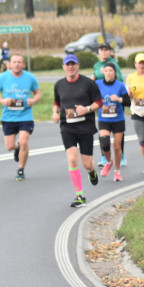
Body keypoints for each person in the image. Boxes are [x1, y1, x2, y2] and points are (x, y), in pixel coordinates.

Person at [52, 54, 103, 207]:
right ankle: (79, 195)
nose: (70, 67)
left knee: (87, 164)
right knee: (72, 158)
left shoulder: (88, 83)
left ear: (78, 66)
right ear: (63, 67)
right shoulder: (59, 84)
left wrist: (86, 109)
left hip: (85, 127)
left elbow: (99, 102)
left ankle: (92, 172)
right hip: (67, 127)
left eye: (73, 64)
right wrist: (55, 112)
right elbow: (57, 102)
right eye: (67, 64)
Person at [0, 54, 42, 181]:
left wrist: (33, 100)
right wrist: (2, 101)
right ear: (10, 64)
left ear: (23, 64)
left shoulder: (30, 78)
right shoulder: (3, 77)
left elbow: (38, 93)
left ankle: (21, 169)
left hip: (25, 115)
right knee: (9, 146)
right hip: (8, 116)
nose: (17, 64)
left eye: (19, 62)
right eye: (14, 62)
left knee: (24, 140)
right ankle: (17, 148)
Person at [96, 63, 129, 182]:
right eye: (106, 70)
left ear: (114, 73)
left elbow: (128, 102)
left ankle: (117, 171)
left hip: (118, 119)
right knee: (104, 144)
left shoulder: (120, 85)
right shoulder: (98, 84)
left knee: (116, 147)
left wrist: (119, 99)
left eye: (111, 71)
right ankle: (109, 162)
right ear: (103, 72)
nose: (109, 73)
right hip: (103, 119)